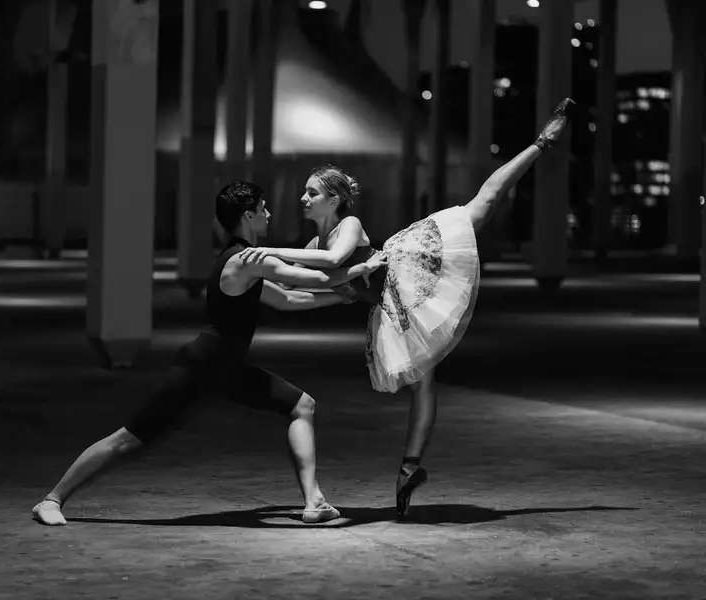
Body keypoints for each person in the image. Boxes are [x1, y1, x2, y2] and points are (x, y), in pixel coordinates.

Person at [238, 98, 575, 519]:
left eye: (312, 193)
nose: (303, 199)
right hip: (389, 307)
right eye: (305, 192)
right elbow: (297, 281)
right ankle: (409, 467)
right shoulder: (311, 245)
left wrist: (265, 252)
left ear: (335, 200)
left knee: (483, 203)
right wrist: (245, 274)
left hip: (409, 269)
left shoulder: (348, 226)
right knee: (425, 380)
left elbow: (330, 263)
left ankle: (542, 143)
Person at [32, 181, 386, 526]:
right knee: (128, 439)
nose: (269, 214)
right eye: (263, 209)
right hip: (203, 365)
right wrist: (360, 270)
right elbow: (315, 280)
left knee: (301, 405)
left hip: (226, 366)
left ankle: (315, 502)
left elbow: (287, 300)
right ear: (248, 216)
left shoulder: (244, 262)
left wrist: (343, 296)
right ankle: (51, 499)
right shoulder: (246, 261)